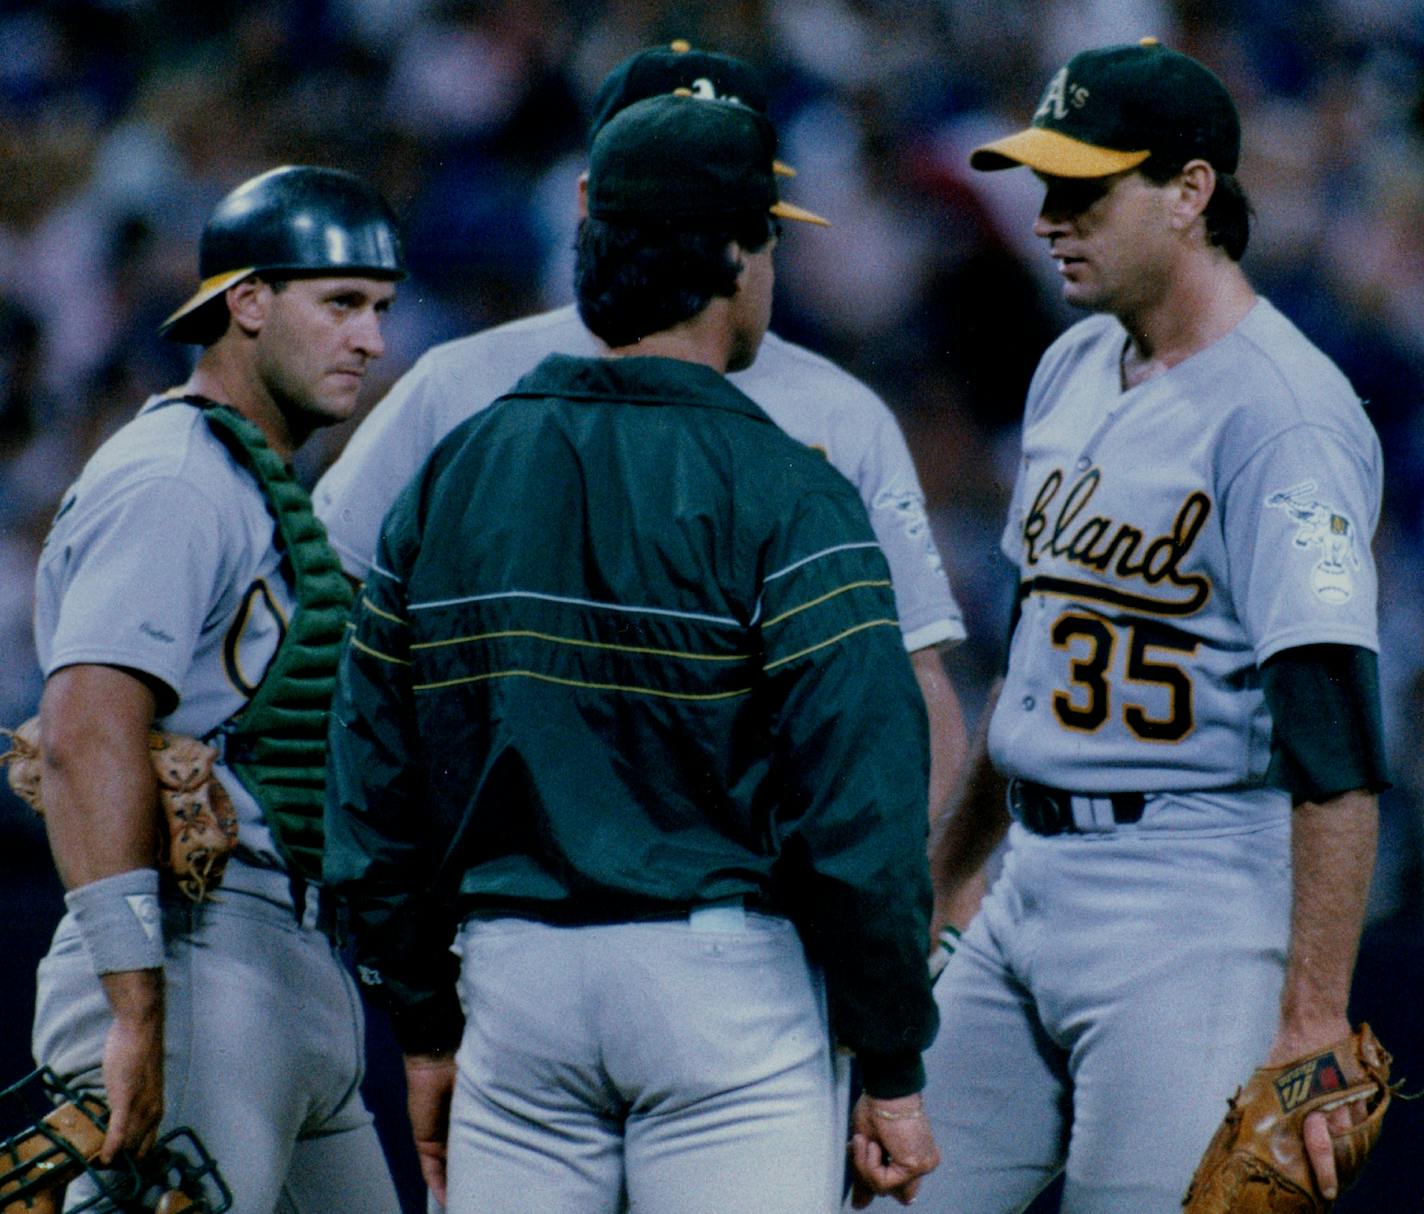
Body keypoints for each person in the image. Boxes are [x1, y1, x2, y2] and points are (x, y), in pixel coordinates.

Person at [325, 93, 941, 1214]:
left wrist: (421, 1025)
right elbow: (863, 810)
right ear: (732, 255)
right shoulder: (788, 485)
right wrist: (890, 1061)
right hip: (723, 993)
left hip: (511, 984)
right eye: (764, 239)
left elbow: (371, 782)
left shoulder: (459, 468)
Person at [916, 39, 1390, 1213]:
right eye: (1043, 186)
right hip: (1025, 875)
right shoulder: (1072, 364)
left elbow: (1333, 735)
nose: (1046, 217)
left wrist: (1313, 1016)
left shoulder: (1282, 416)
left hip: (1185, 899)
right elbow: (1032, 654)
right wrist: (947, 872)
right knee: (883, 1189)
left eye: (1084, 188)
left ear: (1188, 192)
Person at [312, 42, 971, 869]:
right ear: (591, 196)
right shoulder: (460, 384)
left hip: (746, 900)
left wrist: (889, 883)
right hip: (494, 886)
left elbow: (921, 691)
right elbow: (325, 610)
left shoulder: (841, 413)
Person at [27, 165, 407, 1214]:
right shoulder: (175, 476)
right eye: (339, 303)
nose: (370, 338)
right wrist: (134, 1002)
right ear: (244, 302)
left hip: (294, 964)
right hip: (194, 959)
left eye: (379, 308)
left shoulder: (252, 482)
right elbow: (83, 729)